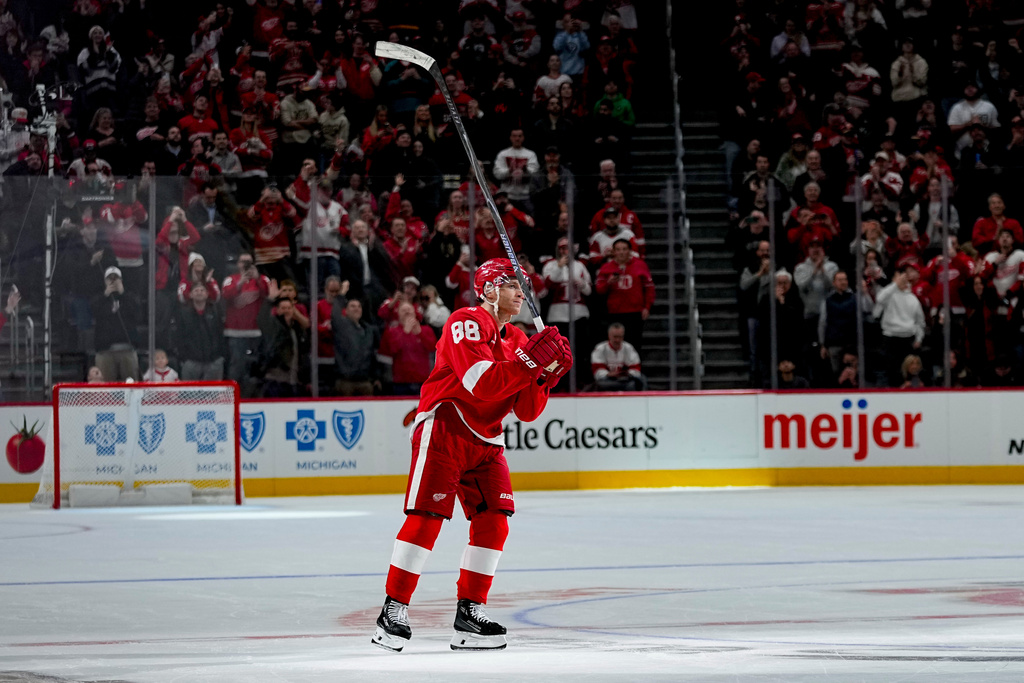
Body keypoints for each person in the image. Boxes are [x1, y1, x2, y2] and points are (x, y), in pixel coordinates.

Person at [371, 259, 572, 653]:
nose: (521, 292)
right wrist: (529, 362)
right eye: (512, 284)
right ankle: (392, 609)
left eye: (523, 286)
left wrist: (547, 374)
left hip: (487, 438)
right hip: (446, 423)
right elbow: (480, 382)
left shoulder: (517, 338)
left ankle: (470, 614)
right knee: (428, 517)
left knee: (495, 520)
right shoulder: (465, 320)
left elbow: (528, 410)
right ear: (489, 290)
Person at [222, 253, 274, 397]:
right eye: (243, 262)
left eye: (249, 262)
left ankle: (251, 395)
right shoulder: (230, 279)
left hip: (255, 331)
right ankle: (232, 395)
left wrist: (256, 279)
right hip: (235, 331)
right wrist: (240, 283)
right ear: (237, 264)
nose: (245, 265)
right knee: (236, 365)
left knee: (254, 367)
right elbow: (226, 295)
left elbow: (268, 294)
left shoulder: (262, 279)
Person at [594, 239, 655, 354]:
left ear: (630, 251)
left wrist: (647, 306)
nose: (621, 252)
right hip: (615, 312)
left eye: (624, 249)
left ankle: (635, 370)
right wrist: (609, 282)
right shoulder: (606, 268)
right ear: (613, 252)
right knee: (615, 343)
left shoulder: (640, 265)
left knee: (635, 343)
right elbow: (599, 290)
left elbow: (649, 288)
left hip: (635, 311)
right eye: (618, 250)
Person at [873, 264, 926, 387]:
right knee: (890, 370)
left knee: (907, 370)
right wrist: (895, 285)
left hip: (907, 339)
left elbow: (920, 322)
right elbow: (879, 299)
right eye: (898, 278)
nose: (901, 280)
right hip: (890, 337)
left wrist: (919, 338)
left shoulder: (913, 299)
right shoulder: (888, 294)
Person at [91, 267, 140, 383]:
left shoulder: (130, 297)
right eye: (110, 279)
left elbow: (137, 313)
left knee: (131, 386)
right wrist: (106, 294)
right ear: (105, 281)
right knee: (106, 389)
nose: (113, 281)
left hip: (127, 349)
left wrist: (123, 293)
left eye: (116, 278)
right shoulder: (99, 298)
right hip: (105, 351)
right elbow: (93, 312)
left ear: (121, 280)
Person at [379, 301, 438, 396]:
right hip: (401, 382)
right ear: (398, 314)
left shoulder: (426, 330)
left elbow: (433, 348)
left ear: (414, 312)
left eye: (409, 309)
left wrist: (420, 333)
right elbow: (393, 350)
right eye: (403, 310)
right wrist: (405, 332)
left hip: (423, 381)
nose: (407, 312)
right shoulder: (392, 331)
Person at [175, 281, 225, 381]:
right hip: (191, 361)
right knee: (189, 395)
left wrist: (220, 357)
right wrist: (184, 358)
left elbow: (220, 334)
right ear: (191, 295)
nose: (199, 292)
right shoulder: (183, 313)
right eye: (196, 290)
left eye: (202, 290)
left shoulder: (215, 311)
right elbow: (179, 336)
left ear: (207, 294)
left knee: (213, 395)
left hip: (214, 361)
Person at [332, 298, 380, 396]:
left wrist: (376, 377)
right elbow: (335, 316)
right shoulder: (342, 327)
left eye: (359, 306)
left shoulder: (368, 330)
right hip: (346, 381)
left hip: (365, 381)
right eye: (352, 306)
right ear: (346, 311)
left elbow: (373, 355)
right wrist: (340, 296)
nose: (356, 309)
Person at [590, 322, 646, 391]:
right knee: (600, 384)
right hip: (607, 380)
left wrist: (626, 374)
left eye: (620, 337)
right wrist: (609, 374)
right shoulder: (600, 349)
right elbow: (597, 372)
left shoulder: (629, 348)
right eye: (615, 337)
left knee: (641, 380)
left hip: (625, 380)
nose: (617, 340)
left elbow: (636, 369)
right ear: (609, 336)